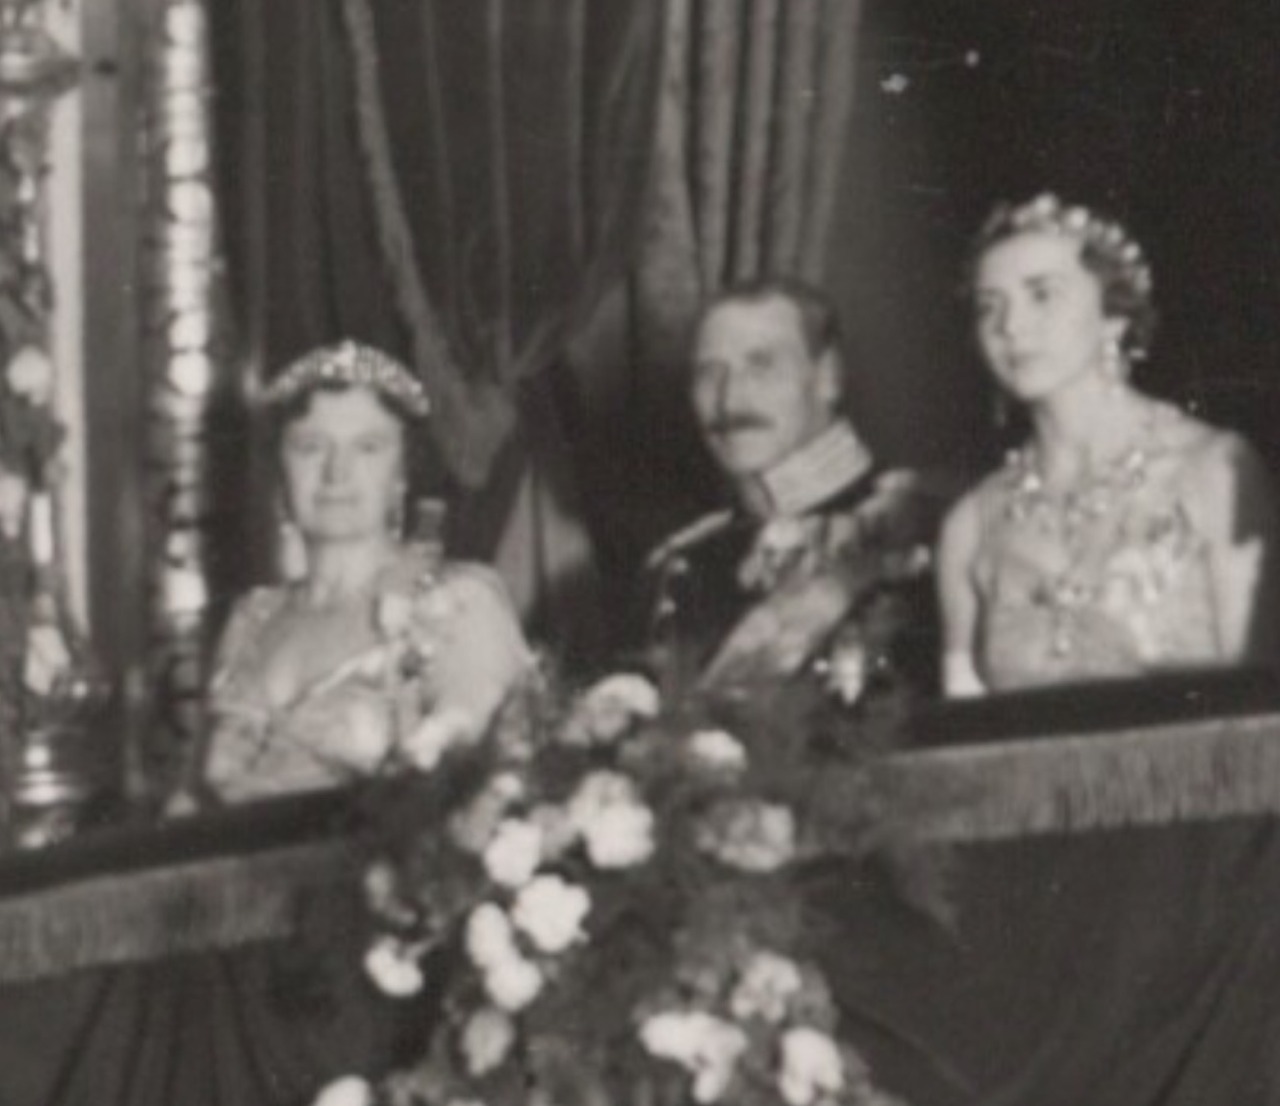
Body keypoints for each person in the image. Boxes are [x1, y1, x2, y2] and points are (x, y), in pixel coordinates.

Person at [937, 194, 1280, 696]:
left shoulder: (1217, 472)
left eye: (1042, 294)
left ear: (1114, 315)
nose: (1009, 326)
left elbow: (1262, 714)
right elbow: (963, 735)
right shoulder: (971, 526)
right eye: (989, 306)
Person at [199, 340, 532, 803]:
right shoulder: (250, 620)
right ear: (280, 471)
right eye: (310, 447)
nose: (337, 472)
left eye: (368, 448)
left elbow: (488, 797)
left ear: (402, 474)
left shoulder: (454, 605)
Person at [645, 276, 944, 698]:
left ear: (827, 378)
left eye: (761, 365)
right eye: (709, 373)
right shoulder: (682, 566)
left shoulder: (923, 526)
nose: (730, 400)